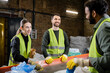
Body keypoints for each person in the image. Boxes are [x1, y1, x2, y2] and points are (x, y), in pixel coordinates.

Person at [66, 0, 110, 73]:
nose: (86, 17)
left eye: (86, 14)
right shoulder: (101, 26)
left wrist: (84, 62)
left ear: (93, 13)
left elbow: (108, 59)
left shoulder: (104, 28)